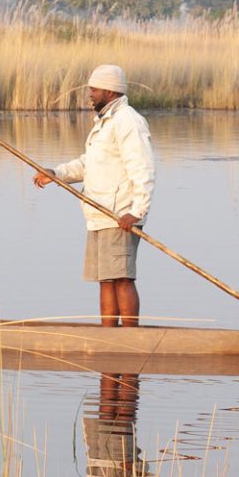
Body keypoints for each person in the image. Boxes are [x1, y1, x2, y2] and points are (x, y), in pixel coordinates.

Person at [33, 63, 155, 328]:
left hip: (120, 214)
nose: (90, 94)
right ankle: (109, 338)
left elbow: (142, 167)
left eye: (94, 89)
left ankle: (131, 339)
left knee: (122, 277)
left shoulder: (128, 121)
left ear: (110, 91)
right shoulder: (103, 123)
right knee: (106, 278)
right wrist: (56, 173)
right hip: (98, 215)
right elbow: (89, 164)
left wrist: (137, 211)